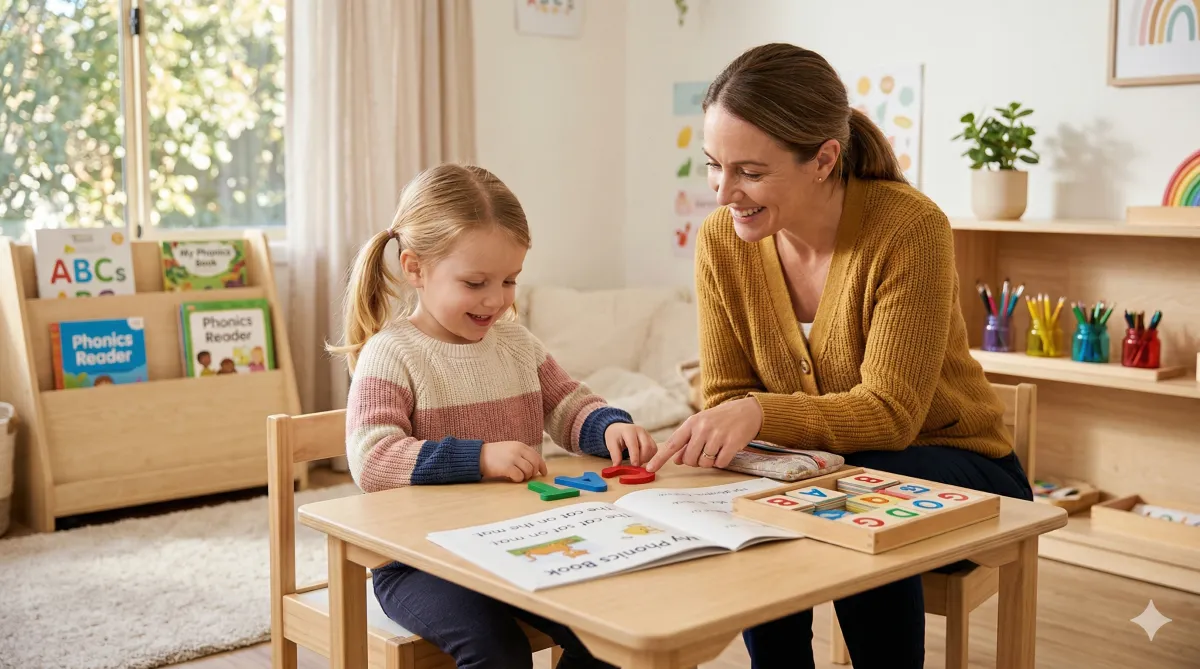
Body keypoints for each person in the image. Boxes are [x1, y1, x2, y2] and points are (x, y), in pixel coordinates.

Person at [645, 43, 1034, 669]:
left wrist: (761, 416)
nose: (724, 193)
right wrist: (742, 425)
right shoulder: (722, 241)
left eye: (749, 171)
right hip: (826, 467)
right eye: (714, 165)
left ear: (825, 158)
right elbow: (724, 396)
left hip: (961, 466)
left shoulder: (908, 229)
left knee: (858, 481)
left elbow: (889, 414)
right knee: (767, 484)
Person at [330, 163, 656, 669]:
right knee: (496, 650)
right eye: (476, 282)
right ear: (415, 269)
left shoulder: (518, 346)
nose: (496, 300)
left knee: (617, 630)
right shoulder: (390, 354)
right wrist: (479, 458)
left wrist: (609, 425)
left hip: (518, 544)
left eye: (509, 281)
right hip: (419, 562)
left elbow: (568, 404)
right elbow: (374, 459)